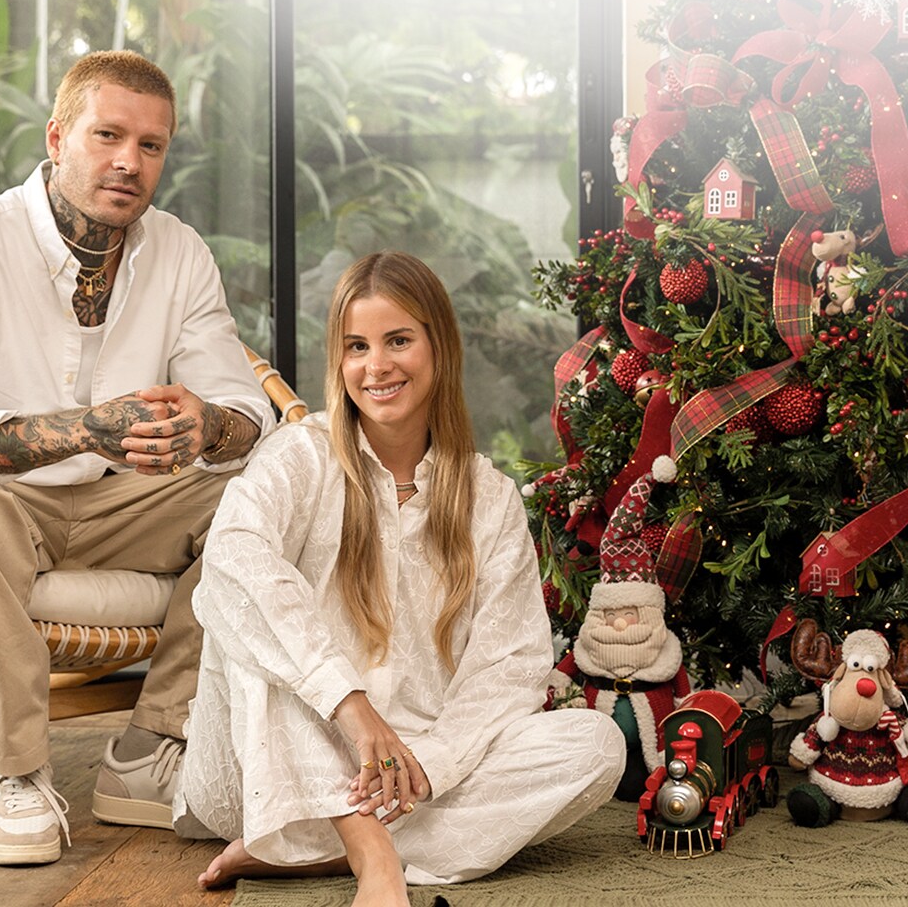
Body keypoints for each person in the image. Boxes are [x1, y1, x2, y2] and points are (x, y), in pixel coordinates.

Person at [0, 50, 274, 866]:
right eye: (108, 135)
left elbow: (249, 407)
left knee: (276, 484)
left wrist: (207, 424)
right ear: (57, 137)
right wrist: (85, 429)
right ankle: (17, 776)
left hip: (125, 503)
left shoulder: (182, 252)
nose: (129, 161)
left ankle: (151, 744)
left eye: (152, 145)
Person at [173, 252, 623, 906]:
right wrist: (351, 708)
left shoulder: (487, 497)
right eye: (356, 346)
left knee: (595, 746)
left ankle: (312, 851)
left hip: (406, 768)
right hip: (262, 763)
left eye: (398, 341)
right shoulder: (300, 456)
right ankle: (373, 856)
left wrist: (430, 765)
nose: (376, 366)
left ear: (439, 348)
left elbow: (507, 667)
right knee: (249, 608)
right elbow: (232, 562)